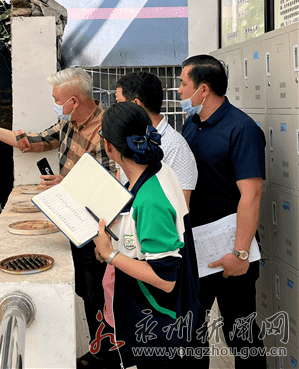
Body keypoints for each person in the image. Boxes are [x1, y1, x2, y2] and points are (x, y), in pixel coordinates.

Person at [0, 67, 116, 368]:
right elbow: (34, 140)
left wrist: (69, 183)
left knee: (98, 293)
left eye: (57, 99)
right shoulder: (67, 124)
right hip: (72, 221)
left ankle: (106, 354)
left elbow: (111, 181)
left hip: (98, 226)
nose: (55, 103)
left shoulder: (107, 129)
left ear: (73, 101)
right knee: (85, 290)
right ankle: (100, 347)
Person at [93, 101, 200, 369]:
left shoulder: (150, 199)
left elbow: (165, 279)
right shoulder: (156, 170)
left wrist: (110, 255)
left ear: (108, 147)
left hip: (156, 326)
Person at [178, 55, 266, 369]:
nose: (178, 91)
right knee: (191, 332)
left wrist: (240, 253)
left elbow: (251, 195)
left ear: (203, 89)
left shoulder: (241, 129)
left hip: (231, 249)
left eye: (183, 84)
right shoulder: (192, 123)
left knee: (241, 335)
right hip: (196, 249)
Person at [116, 71, 198, 207]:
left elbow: (181, 208)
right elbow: (119, 188)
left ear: (136, 104)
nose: (115, 110)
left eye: (119, 104)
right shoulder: (127, 137)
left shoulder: (175, 147)